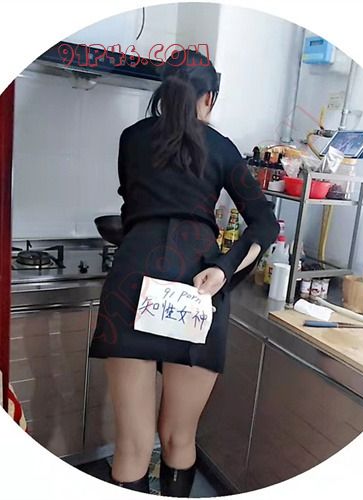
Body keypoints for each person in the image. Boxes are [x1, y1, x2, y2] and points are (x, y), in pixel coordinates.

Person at [88, 49, 279, 496]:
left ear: (164, 88)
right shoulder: (221, 147)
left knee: (132, 445)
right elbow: (264, 223)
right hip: (197, 287)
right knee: (179, 436)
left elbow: (132, 207)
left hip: (133, 283)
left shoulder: (132, 139)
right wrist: (224, 268)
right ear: (209, 97)